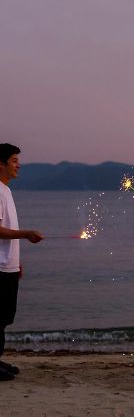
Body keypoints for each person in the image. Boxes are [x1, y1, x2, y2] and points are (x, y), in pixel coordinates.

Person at [0, 143, 43, 381]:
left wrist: (17, 261)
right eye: (14, 160)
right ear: (1, 164)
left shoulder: (6, 190)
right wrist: (26, 234)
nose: (18, 165)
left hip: (8, 265)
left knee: (4, 318)